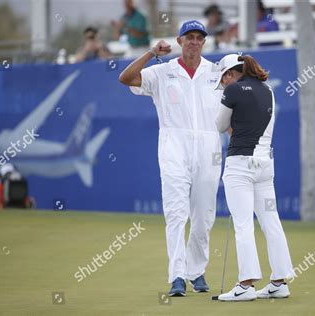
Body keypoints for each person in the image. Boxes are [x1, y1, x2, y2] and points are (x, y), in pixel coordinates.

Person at [118, 20, 222, 297]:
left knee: (204, 215)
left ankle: (196, 271)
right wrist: (151, 53)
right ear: (179, 40)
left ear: (204, 42)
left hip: (209, 147)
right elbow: (126, 79)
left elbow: (234, 107)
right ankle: (177, 276)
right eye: (189, 37)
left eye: (199, 37)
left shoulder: (216, 72)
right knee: (176, 212)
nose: (195, 41)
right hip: (174, 146)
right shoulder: (162, 72)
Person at [214, 54, 295, 302]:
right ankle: (279, 282)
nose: (223, 84)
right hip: (264, 164)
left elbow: (219, 125)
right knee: (271, 221)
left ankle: (246, 285)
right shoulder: (268, 90)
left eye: (223, 79)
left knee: (243, 224)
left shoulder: (233, 90)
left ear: (229, 74)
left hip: (240, 165)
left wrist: (233, 122)